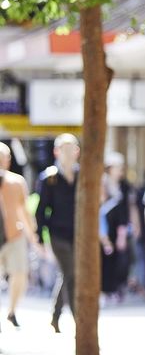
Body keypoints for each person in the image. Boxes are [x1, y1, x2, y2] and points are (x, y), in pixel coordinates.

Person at [35, 133, 81, 333]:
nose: (69, 153)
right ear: (57, 151)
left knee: (68, 274)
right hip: (58, 234)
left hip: (78, 235)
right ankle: (79, 319)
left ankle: (56, 315)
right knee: (70, 273)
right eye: (65, 149)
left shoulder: (82, 175)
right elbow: (41, 209)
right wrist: (40, 237)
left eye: (72, 149)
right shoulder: (49, 178)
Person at [0, 142, 37, 328]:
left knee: (20, 274)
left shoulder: (16, 182)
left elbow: (23, 210)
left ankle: (11, 311)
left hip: (14, 235)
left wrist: (33, 235)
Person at [99, 151, 132, 303]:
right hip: (103, 228)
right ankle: (104, 290)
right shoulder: (102, 183)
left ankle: (114, 289)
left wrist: (123, 232)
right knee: (103, 260)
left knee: (119, 261)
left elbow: (126, 209)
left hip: (117, 228)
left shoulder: (124, 186)